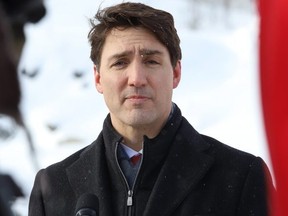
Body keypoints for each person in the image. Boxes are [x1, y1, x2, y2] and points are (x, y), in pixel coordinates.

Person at [28, 2, 273, 216]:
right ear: (98, 78)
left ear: (176, 73)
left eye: (151, 61)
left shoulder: (241, 177)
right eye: (120, 62)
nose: (136, 78)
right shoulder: (52, 187)